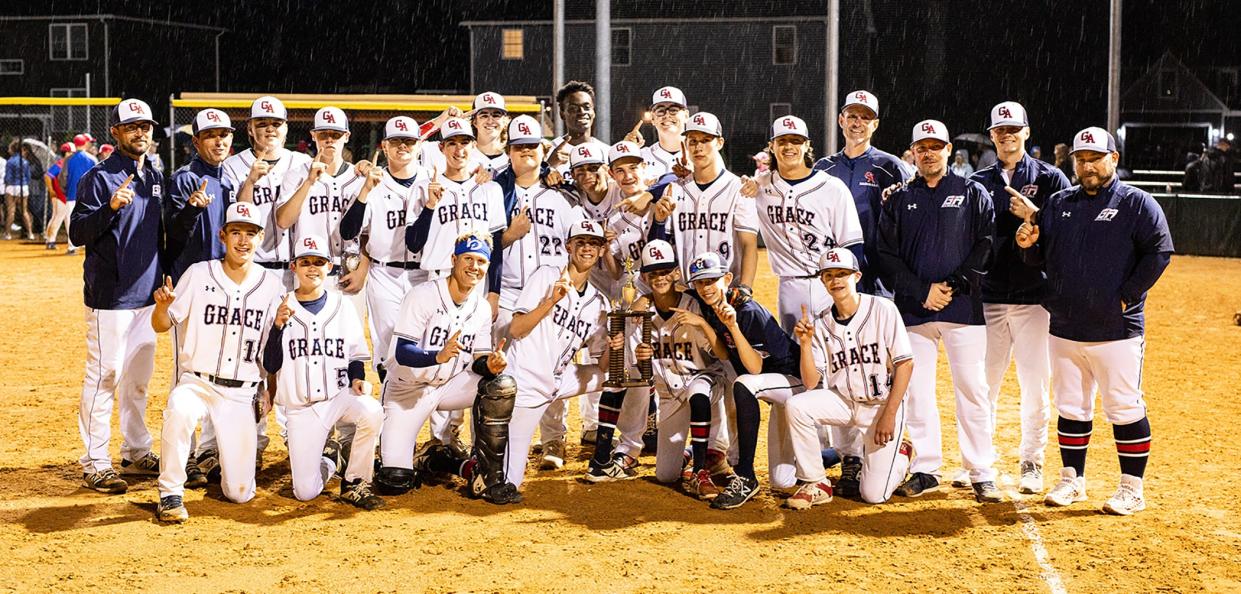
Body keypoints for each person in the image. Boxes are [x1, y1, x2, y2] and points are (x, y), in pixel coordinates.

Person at [1014, 127, 1173, 515]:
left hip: (1115, 330)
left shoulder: (1136, 203)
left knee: (1124, 407)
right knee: (1071, 406)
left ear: (1113, 159)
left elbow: (1160, 252)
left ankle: (1131, 488)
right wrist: (1028, 246)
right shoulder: (1060, 203)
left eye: (1095, 158)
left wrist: (1125, 297)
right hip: (1066, 326)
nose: (1087, 165)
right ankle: (1072, 480)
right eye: (1081, 159)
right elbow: (1042, 256)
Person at [877, 119, 1001, 503]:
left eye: (935, 146)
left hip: (962, 309)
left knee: (973, 391)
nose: (928, 152)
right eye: (921, 147)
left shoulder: (972, 191)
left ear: (949, 150)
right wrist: (921, 291)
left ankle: (980, 470)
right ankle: (926, 467)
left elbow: (985, 244)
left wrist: (952, 286)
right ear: (912, 153)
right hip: (915, 312)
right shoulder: (899, 198)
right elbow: (885, 255)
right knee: (917, 392)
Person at [151, 202, 285, 522]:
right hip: (197, 382)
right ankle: (170, 492)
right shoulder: (198, 274)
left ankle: (221, 465)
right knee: (179, 410)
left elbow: (273, 346)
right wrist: (161, 307)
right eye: (236, 232)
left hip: (241, 393)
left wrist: (270, 389)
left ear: (260, 237)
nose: (243, 240)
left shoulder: (271, 286)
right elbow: (162, 325)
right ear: (222, 235)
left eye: (250, 233)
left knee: (239, 494)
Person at [806, 90, 910, 497]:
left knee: (876, 365)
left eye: (866, 117)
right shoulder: (823, 167)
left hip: (876, 278)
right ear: (840, 119)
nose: (857, 122)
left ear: (875, 124)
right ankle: (849, 455)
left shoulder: (890, 167)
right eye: (852, 115)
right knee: (837, 366)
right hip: (836, 278)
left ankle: (886, 440)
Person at [968, 102, 1070, 494]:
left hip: (1033, 298)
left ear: (1026, 132)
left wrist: (1036, 214)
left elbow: (1065, 233)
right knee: (984, 385)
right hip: (989, 297)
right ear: (992, 135)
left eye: (1013, 128)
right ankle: (980, 461)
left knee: (1034, 385)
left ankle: (1032, 461)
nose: (1006, 135)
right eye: (999, 130)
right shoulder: (978, 180)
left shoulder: (1050, 178)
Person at [375, 233, 519, 504]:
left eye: (480, 261)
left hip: (447, 386)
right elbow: (402, 352)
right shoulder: (423, 295)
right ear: (454, 260)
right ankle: (437, 460)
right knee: (395, 480)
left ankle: (487, 476)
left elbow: (479, 357)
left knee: (500, 385)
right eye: (468, 259)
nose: (474, 267)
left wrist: (490, 363)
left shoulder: (481, 308)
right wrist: (437, 356)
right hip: (406, 392)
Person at [69, 98, 165, 494]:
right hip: (110, 297)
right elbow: (77, 234)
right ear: (116, 133)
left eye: (145, 126)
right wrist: (108, 208)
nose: (140, 132)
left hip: (147, 296)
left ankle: (136, 448)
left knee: (138, 381)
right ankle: (95, 461)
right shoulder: (99, 177)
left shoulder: (155, 175)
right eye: (131, 127)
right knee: (105, 376)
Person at [501, 220, 628, 489]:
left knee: (620, 377)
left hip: (560, 379)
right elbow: (517, 328)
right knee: (508, 480)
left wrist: (615, 346)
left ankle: (606, 453)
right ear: (569, 246)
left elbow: (602, 367)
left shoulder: (598, 302)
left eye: (593, 243)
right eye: (580, 242)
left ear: (601, 250)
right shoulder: (546, 276)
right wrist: (551, 301)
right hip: (527, 380)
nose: (586, 248)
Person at [784, 247, 915, 508]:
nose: (836, 280)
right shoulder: (820, 323)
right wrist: (806, 345)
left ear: (856, 276)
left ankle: (902, 455)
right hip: (845, 403)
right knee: (797, 405)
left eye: (842, 274)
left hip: (881, 407)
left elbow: (905, 363)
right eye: (829, 275)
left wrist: (889, 414)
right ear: (822, 280)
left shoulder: (883, 309)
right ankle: (816, 482)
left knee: (873, 495)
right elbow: (810, 383)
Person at [262, 234, 384, 511]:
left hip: (338, 396)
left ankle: (355, 482)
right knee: (305, 492)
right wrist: (277, 328)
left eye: (319, 262)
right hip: (301, 408)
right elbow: (270, 365)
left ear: (329, 267)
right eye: (306, 262)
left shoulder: (343, 305)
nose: (312, 268)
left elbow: (355, 353)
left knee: (372, 411)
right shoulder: (279, 306)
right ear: (294, 267)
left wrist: (357, 378)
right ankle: (331, 458)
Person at [686, 251, 805, 510]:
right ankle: (828, 456)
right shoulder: (708, 303)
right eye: (699, 282)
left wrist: (733, 326)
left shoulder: (748, 311)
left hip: (793, 381)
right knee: (782, 480)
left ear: (727, 279)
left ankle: (746, 476)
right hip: (768, 382)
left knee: (743, 383)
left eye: (711, 280)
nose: (705, 288)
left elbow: (754, 368)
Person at [745, 115, 864, 332]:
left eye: (796, 141)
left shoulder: (832, 187)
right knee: (797, 353)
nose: (789, 147)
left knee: (839, 348)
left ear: (807, 145)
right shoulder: (759, 187)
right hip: (789, 286)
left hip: (830, 283)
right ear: (771, 146)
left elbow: (852, 246)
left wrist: (852, 291)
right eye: (782, 141)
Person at [630, 240, 728, 499]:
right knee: (665, 475)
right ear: (644, 277)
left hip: (703, 379)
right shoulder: (641, 310)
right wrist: (642, 358)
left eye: (665, 272)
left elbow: (720, 353)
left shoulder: (692, 304)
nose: (660, 278)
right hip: (669, 396)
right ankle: (694, 453)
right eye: (653, 273)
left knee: (698, 391)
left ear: (675, 273)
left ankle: (699, 471)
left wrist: (701, 324)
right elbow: (640, 367)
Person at [339, 116, 428, 382]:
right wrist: (365, 191)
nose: (403, 146)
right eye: (396, 141)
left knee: (425, 345)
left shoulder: (433, 180)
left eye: (409, 141)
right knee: (390, 348)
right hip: (384, 274)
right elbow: (349, 232)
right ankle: (391, 411)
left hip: (426, 274)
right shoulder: (371, 182)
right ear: (384, 146)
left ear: (419, 146)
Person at [275, 106, 371, 295]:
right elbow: (283, 221)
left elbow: (369, 232)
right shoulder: (296, 175)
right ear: (313, 135)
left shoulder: (360, 178)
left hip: (349, 272)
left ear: (346, 136)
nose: (329, 139)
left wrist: (363, 269)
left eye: (335, 134)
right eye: (323, 134)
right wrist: (309, 182)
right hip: (308, 273)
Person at [225, 96, 313, 290]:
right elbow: (237, 219)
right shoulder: (232, 166)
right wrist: (250, 182)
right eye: (262, 124)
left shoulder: (302, 163)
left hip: (296, 268)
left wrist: (360, 168)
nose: (270, 129)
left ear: (286, 128)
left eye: (276, 123)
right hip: (251, 266)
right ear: (250, 128)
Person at [165, 109, 237, 284]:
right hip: (189, 277)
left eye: (224, 134)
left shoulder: (229, 181)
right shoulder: (185, 178)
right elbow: (173, 233)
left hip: (222, 275)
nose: (219, 142)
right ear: (196, 142)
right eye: (210, 135)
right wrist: (191, 210)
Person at [420, 92, 510, 175]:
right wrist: (438, 122)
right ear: (474, 121)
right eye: (484, 115)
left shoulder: (515, 160)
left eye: (496, 115)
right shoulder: (451, 153)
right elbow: (409, 142)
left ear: (505, 121)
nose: (490, 121)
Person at [633, 86, 689, 179]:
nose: (667, 115)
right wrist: (627, 150)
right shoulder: (639, 157)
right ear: (653, 119)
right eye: (660, 111)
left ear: (686, 116)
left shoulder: (702, 155)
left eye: (673, 110)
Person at [546, 81, 604, 172]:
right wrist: (549, 166)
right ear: (562, 114)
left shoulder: (605, 151)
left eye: (587, 107)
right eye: (573, 108)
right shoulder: (549, 151)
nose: (581, 112)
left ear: (593, 112)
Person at [43, 142, 73, 249]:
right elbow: (47, 176)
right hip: (59, 195)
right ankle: (50, 241)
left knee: (61, 218)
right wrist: (51, 190)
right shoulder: (61, 163)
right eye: (71, 152)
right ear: (67, 153)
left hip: (62, 195)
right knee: (58, 217)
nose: (73, 154)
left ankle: (49, 239)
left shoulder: (66, 163)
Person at [4, 140, 33, 240]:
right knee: (24, 211)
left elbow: (8, 177)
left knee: (11, 211)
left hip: (12, 186)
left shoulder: (10, 161)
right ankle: (30, 233)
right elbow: (28, 176)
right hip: (23, 186)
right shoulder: (25, 162)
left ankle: (7, 234)